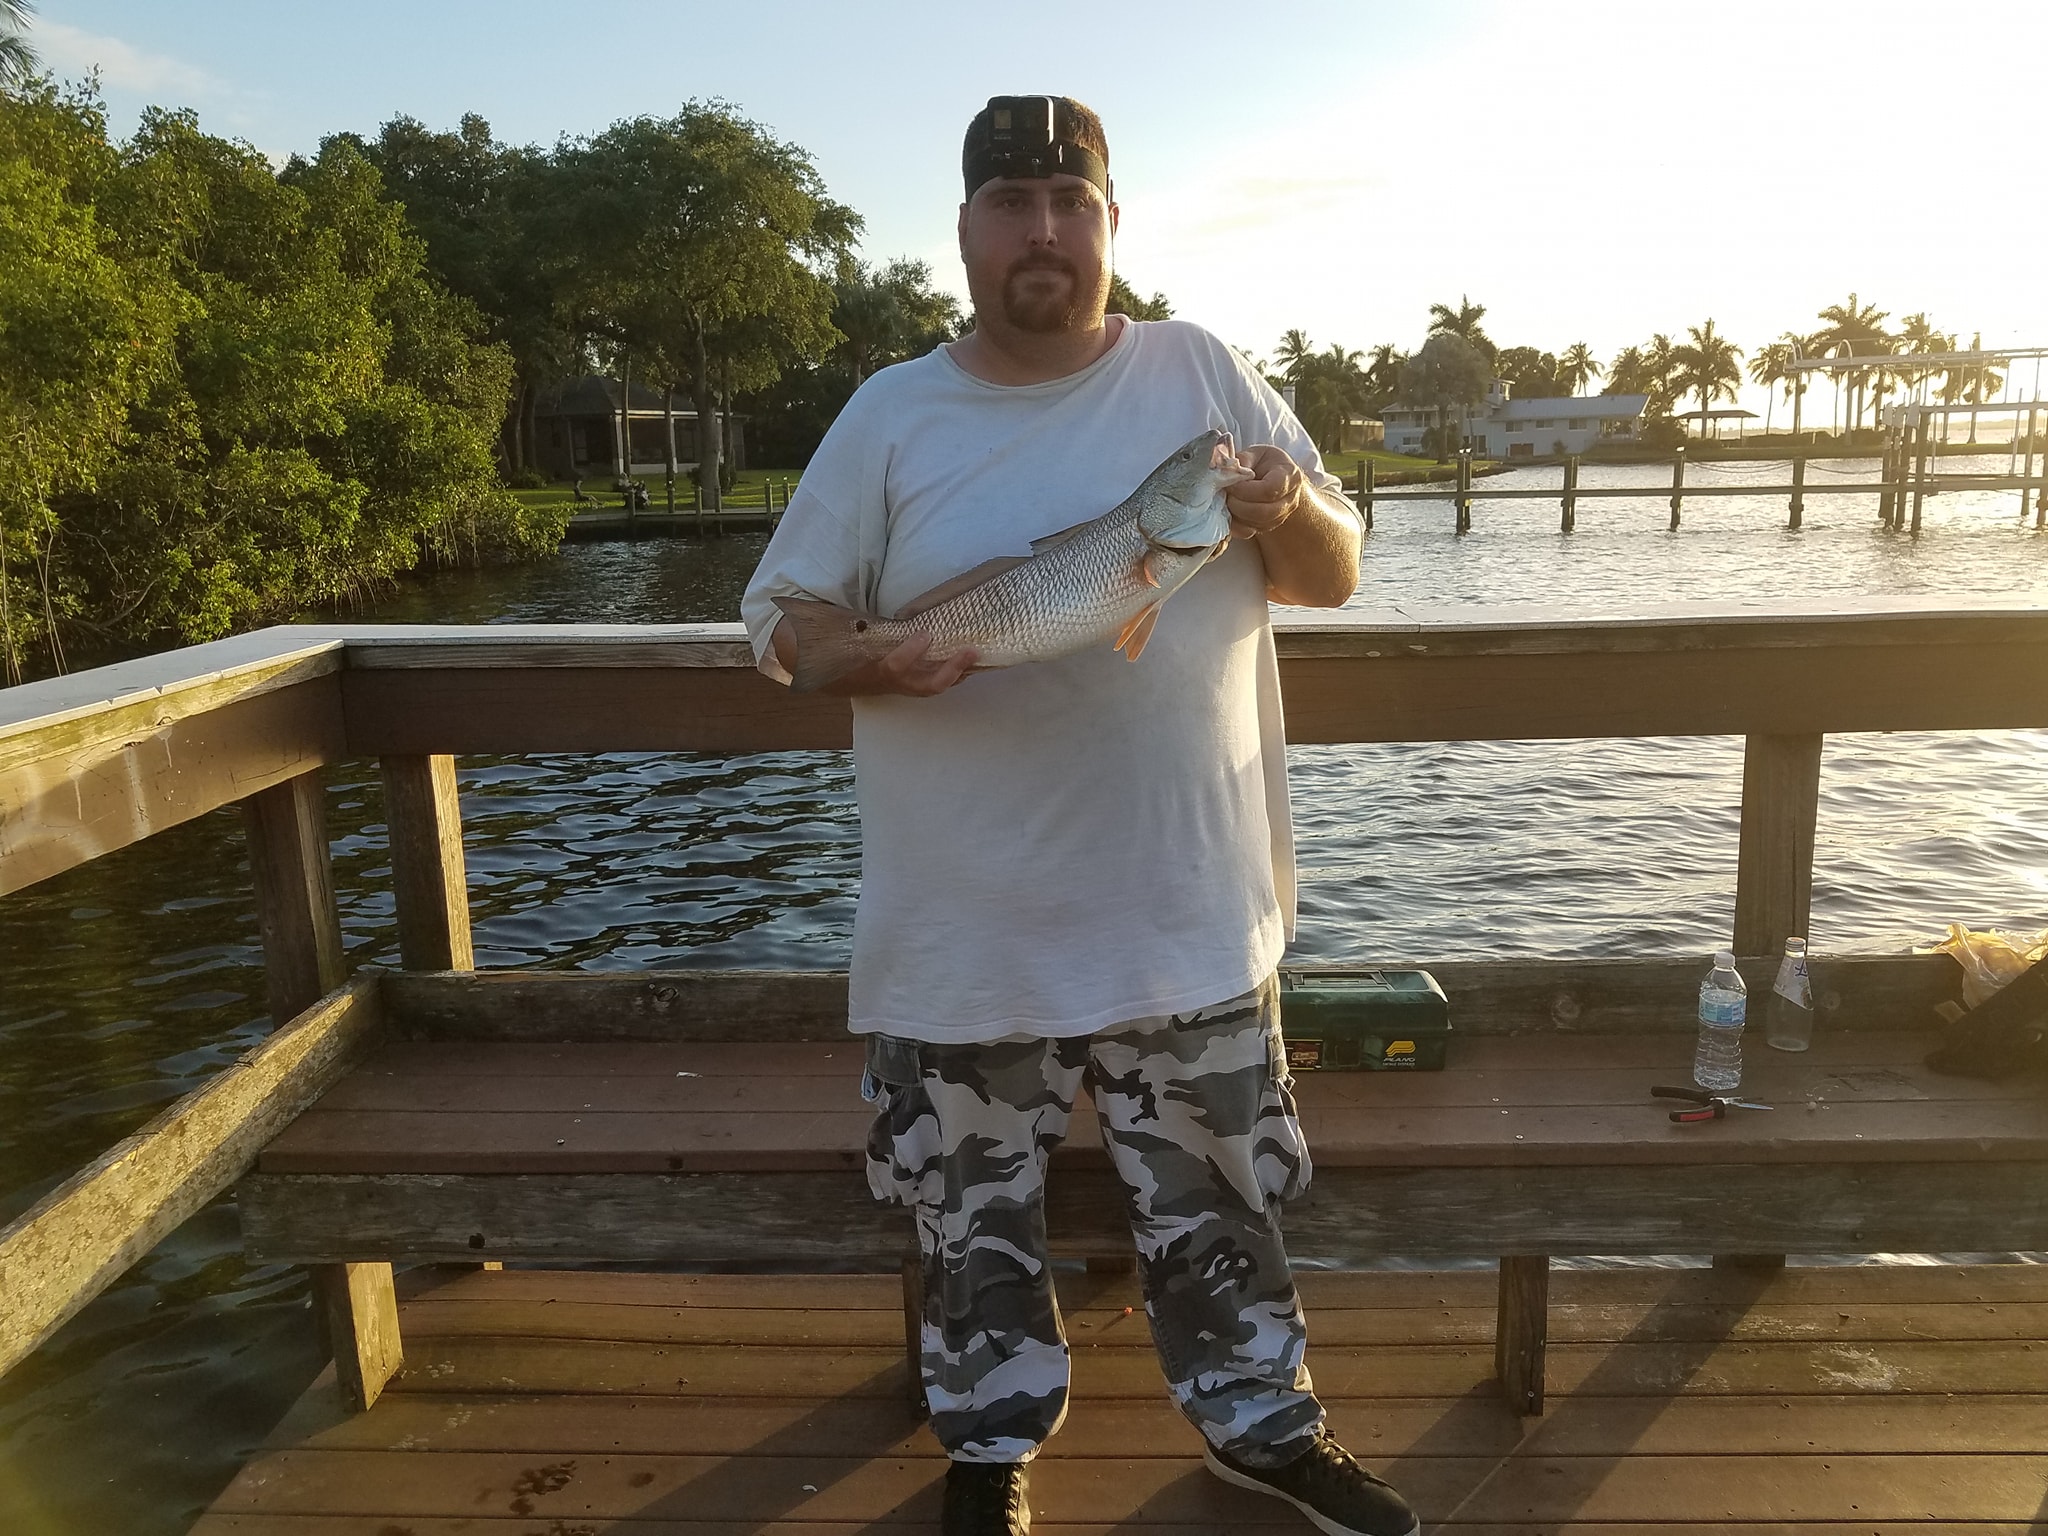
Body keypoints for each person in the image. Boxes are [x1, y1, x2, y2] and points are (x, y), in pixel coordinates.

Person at [741, 95, 1419, 1536]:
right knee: (968, 1214)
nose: (1042, 229)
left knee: (1225, 1200)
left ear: (1112, 223)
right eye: (1012, 202)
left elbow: (1337, 570)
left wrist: (1285, 499)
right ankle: (987, 1447)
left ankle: (1261, 1423)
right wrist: (873, 655)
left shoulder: (1206, 377)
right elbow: (787, 625)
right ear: (969, 228)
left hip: (1187, 910)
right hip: (963, 929)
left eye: (1070, 199)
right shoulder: (888, 412)